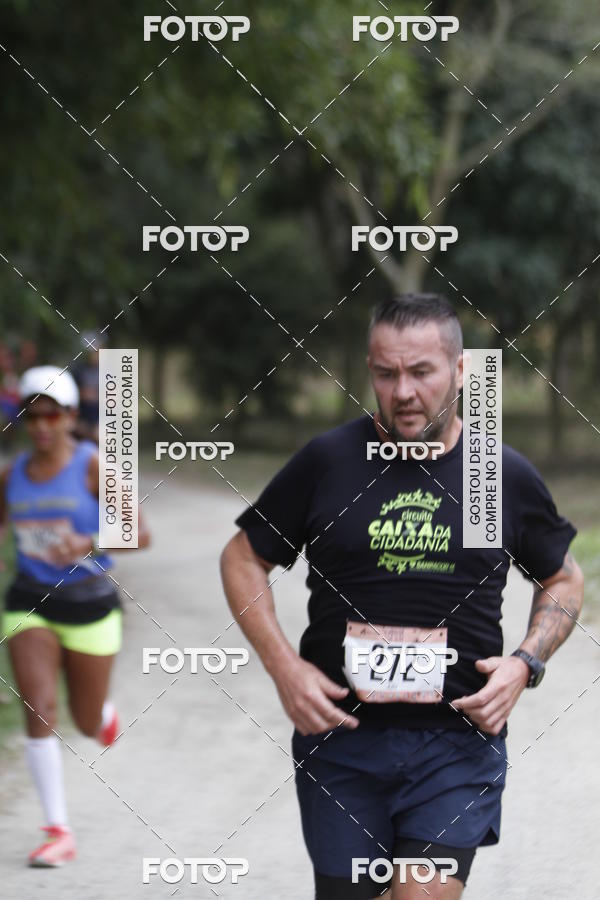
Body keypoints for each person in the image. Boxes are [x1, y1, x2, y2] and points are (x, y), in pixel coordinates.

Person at [220, 294, 584, 900]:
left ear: (460, 370)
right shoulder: (330, 462)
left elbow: (565, 578)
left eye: (422, 371)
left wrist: (526, 664)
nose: (404, 391)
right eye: (386, 373)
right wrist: (284, 668)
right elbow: (242, 556)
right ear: (370, 371)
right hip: (342, 741)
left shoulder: (494, 475)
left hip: (455, 744)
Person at [0, 365, 150, 867]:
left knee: (85, 722)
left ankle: (103, 716)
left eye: (51, 414)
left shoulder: (92, 465)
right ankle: (57, 830)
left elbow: (139, 533)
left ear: (68, 416)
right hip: (29, 600)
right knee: (39, 704)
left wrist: (88, 541)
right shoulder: (11, 474)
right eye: (31, 414)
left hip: (89, 603)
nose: (41, 424)